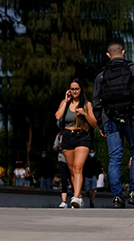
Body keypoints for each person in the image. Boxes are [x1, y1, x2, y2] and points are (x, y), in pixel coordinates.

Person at [92, 41, 134, 209]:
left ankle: (117, 197)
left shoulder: (101, 75)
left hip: (110, 120)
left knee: (114, 158)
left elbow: (96, 102)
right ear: (123, 52)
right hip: (131, 118)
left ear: (108, 55)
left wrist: (100, 123)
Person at [55, 78, 97, 208]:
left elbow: (94, 124)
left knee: (78, 167)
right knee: (72, 170)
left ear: (81, 90)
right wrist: (65, 101)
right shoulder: (65, 102)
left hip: (82, 136)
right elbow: (58, 116)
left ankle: (76, 197)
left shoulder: (87, 104)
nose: (74, 91)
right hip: (67, 136)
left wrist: (84, 114)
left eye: (76, 89)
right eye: (72, 89)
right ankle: (78, 196)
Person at [53, 131, 72, 208]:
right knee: (63, 179)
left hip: (71, 159)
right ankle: (64, 201)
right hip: (62, 159)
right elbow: (54, 147)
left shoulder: (72, 133)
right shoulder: (59, 135)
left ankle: (75, 197)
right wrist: (58, 146)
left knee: (72, 179)